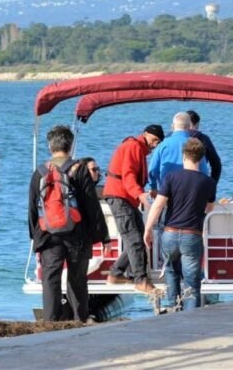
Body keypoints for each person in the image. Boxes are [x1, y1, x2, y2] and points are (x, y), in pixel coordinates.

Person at [28, 126, 109, 322]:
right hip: (77, 234)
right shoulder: (79, 169)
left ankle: (50, 322)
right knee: (77, 279)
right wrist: (101, 236)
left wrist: (35, 236)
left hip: (48, 234)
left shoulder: (40, 172)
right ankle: (79, 319)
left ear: (50, 146)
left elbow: (32, 208)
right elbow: (91, 206)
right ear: (70, 146)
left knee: (50, 279)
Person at [144, 137, 215, 312]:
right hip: (192, 235)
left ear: (184, 156)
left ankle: (173, 310)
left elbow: (158, 205)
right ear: (202, 158)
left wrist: (148, 228)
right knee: (192, 281)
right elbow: (209, 208)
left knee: (171, 273)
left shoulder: (171, 177)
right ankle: (191, 317)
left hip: (170, 232)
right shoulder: (208, 182)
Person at [102, 123, 165, 295]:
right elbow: (128, 175)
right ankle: (141, 280)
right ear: (145, 134)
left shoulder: (138, 148)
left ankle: (115, 274)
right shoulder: (133, 147)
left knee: (137, 238)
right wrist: (140, 195)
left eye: (158, 141)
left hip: (124, 197)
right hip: (119, 196)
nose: (155, 144)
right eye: (154, 139)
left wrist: (145, 192)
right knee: (135, 239)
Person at [186, 109, 223, 185]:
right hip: (199, 181)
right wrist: (212, 184)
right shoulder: (203, 139)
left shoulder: (170, 137)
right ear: (197, 125)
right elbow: (216, 164)